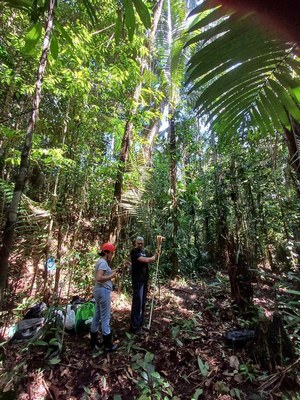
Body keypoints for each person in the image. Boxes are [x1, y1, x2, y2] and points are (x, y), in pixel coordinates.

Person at [90, 242, 118, 352]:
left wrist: (114, 272)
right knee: (105, 317)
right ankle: (108, 345)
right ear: (106, 252)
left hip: (99, 291)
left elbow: (105, 274)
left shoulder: (102, 262)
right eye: (111, 253)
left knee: (97, 316)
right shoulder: (103, 263)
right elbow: (99, 278)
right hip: (103, 291)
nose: (111, 255)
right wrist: (112, 276)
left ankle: (93, 342)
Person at [129, 236, 156, 334]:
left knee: (143, 302)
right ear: (135, 243)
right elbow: (145, 260)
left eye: (141, 243)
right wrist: (152, 258)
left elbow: (150, 257)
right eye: (138, 243)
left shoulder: (144, 251)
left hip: (144, 280)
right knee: (138, 303)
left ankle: (140, 324)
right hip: (138, 281)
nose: (140, 244)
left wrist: (157, 252)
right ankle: (134, 327)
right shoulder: (134, 252)